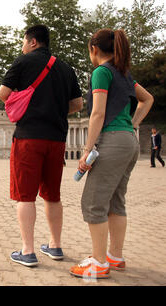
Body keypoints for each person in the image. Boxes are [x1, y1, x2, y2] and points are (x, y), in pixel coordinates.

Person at [69, 29, 154, 279]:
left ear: (94, 49)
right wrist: (133, 123)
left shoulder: (102, 72)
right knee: (116, 201)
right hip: (129, 141)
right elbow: (147, 99)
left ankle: (98, 262)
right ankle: (115, 257)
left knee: (94, 202)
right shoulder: (124, 73)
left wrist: (86, 150)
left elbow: (97, 113)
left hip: (112, 142)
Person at [0, 25, 83, 267]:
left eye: (24, 42)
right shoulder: (66, 68)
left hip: (29, 136)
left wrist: (31, 103)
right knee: (52, 195)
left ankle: (28, 251)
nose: (23, 46)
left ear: (33, 42)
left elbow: (2, 94)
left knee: (25, 196)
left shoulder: (23, 62)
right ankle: (55, 246)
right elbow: (77, 104)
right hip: (56, 139)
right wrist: (53, 108)